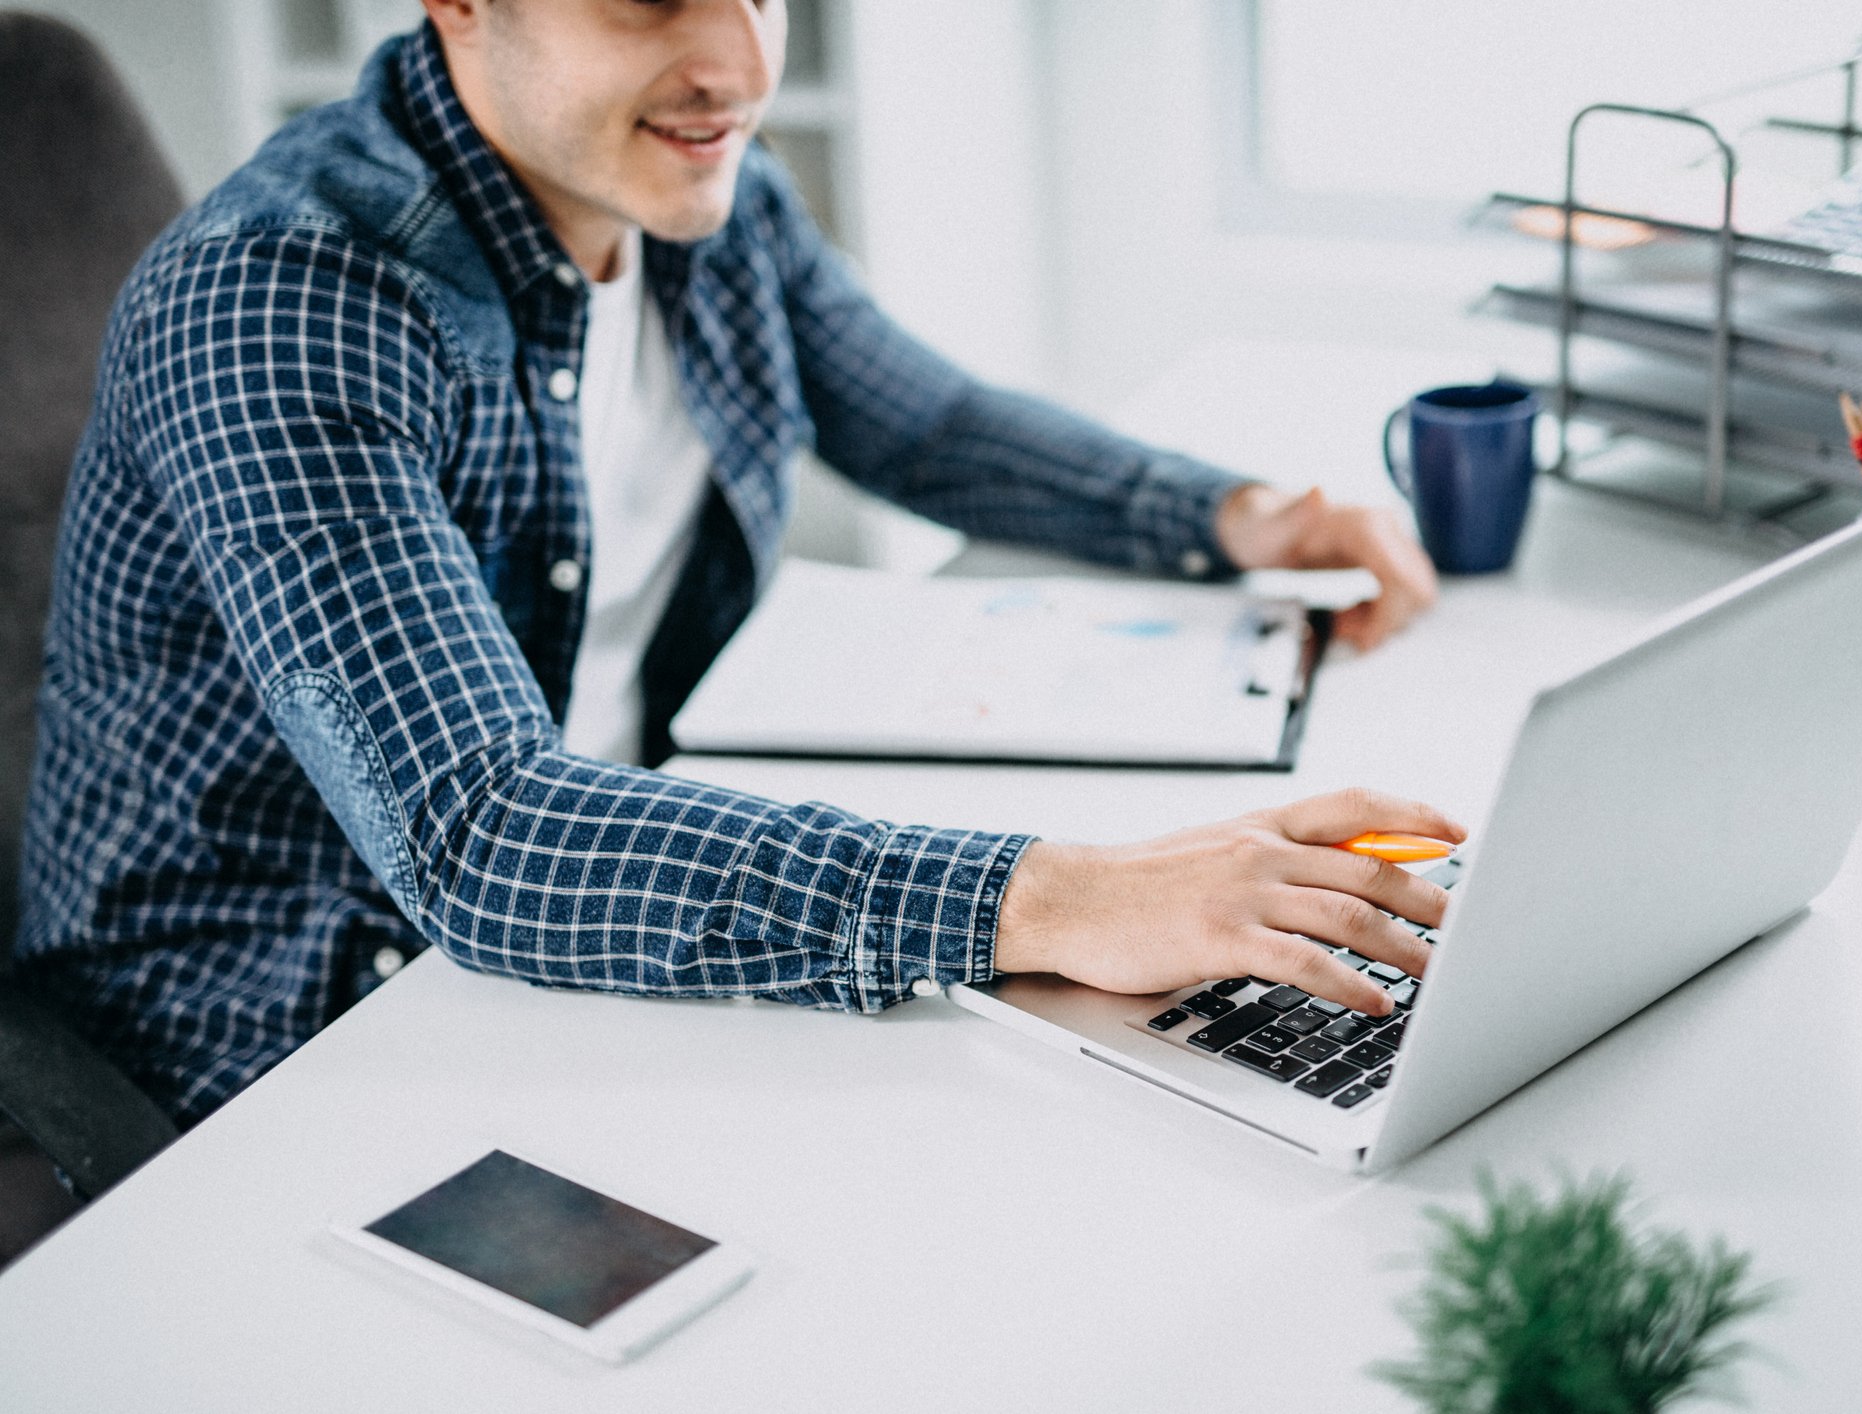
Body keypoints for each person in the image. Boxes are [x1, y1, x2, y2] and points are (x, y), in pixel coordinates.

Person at [17, 0, 1460, 1128]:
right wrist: (1065, 894)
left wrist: (1233, 514)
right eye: (648, 0)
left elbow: (930, 426)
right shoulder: (287, 301)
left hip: (581, 903)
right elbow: (477, 833)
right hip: (282, 1015)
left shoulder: (695, 188)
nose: (733, 63)